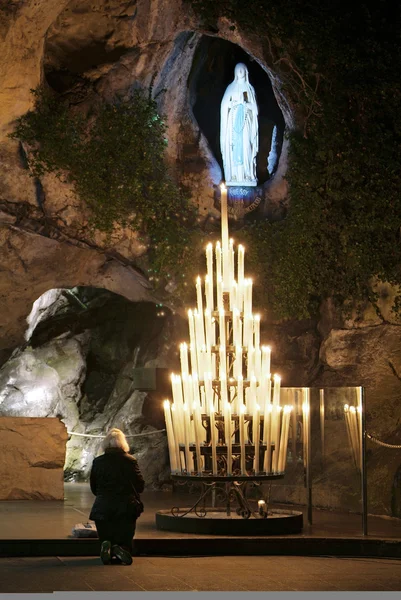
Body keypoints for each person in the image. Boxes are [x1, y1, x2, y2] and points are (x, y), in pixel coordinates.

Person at [89, 428, 145, 565]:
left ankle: (106, 544)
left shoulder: (98, 461)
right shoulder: (131, 461)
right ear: (123, 443)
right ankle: (121, 548)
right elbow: (140, 485)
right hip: (126, 506)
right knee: (125, 534)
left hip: (102, 507)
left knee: (106, 532)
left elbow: (93, 486)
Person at [220, 63, 259, 186]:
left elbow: (255, 108)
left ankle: (247, 174)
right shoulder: (231, 88)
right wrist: (233, 105)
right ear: (235, 72)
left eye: (242, 70)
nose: (240, 72)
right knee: (234, 148)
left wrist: (246, 105)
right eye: (238, 70)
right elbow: (224, 105)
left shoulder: (250, 89)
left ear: (246, 72)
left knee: (246, 147)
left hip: (246, 124)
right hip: (233, 124)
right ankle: (235, 175)